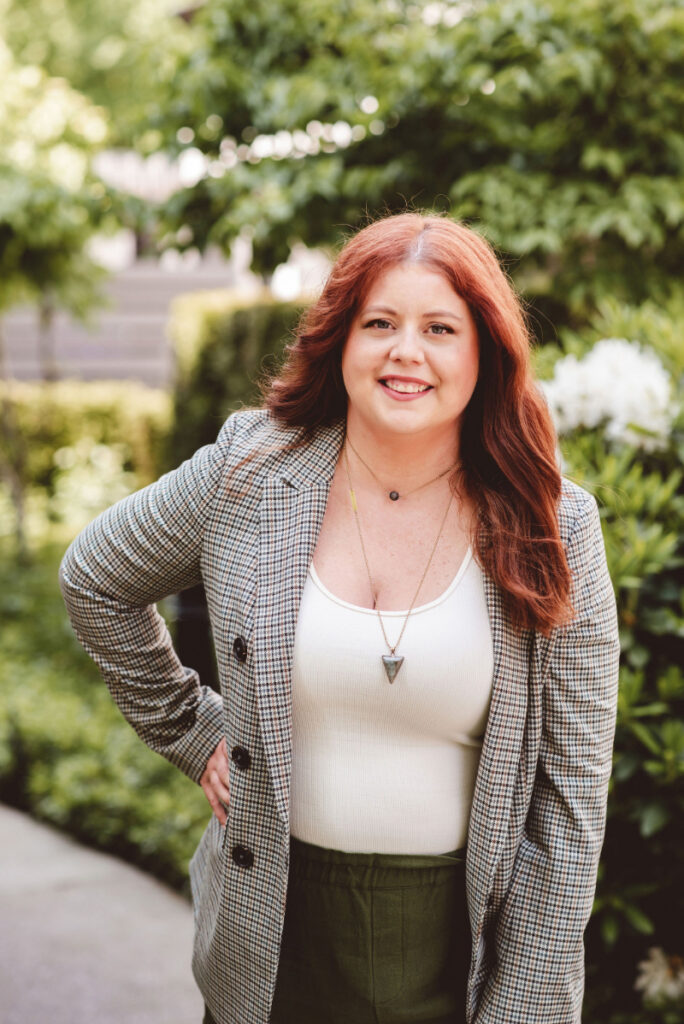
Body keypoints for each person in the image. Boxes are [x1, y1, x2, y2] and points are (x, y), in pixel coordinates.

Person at [59, 212, 620, 1024]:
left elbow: (569, 812)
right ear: (341, 339)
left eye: (440, 328)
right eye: (380, 323)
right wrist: (192, 729)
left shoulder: (553, 523)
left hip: (458, 958)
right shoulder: (251, 473)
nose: (406, 352)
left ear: (484, 351)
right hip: (267, 951)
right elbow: (95, 578)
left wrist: (522, 1008)